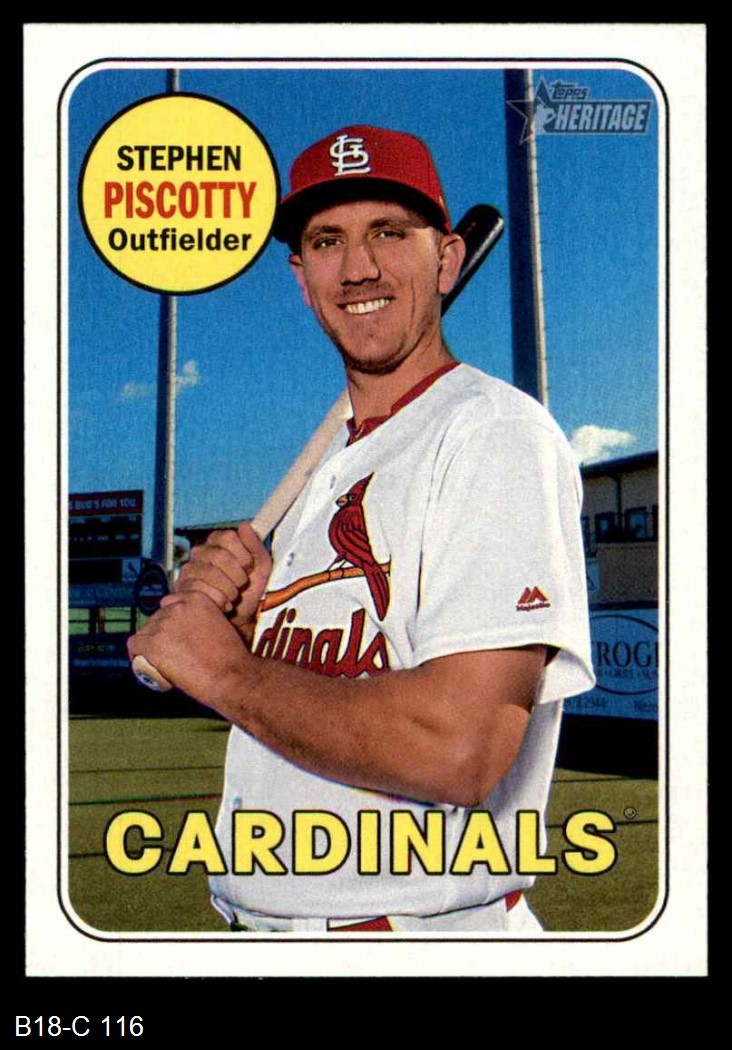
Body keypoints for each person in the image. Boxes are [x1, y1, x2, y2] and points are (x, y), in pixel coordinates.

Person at [128, 124, 595, 933]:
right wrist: (253, 631)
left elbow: (458, 746)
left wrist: (225, 673)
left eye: (389, 232)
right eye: (327, 241)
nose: (358, 268)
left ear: (447, 260)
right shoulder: (338, 466)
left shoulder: (492, 435)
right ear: (302, 280)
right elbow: (340, 681)